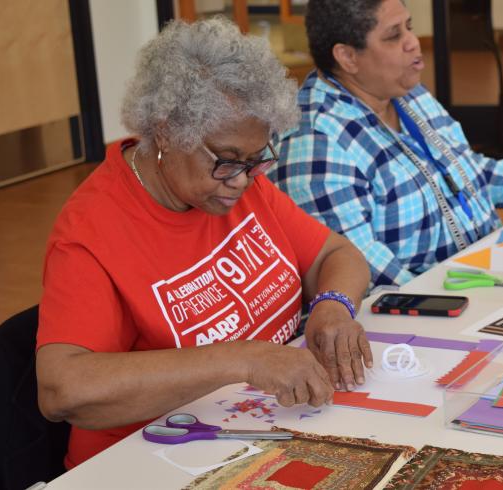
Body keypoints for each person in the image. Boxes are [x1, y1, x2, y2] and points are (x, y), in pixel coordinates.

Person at [36, 17, 373, 469]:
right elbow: (62, 389)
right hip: (151, 459)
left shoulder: (235, 184)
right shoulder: (91, 233)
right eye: (228, 160)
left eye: (256, 160)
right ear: (166, 129)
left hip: (255, 433)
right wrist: (243, 361)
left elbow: (338, 254)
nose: (241, 181)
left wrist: (332, 305)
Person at [271, 0, 503, 287]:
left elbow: (461, 171)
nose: (414, 43)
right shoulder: (317, 142)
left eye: (410, 27)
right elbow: (363, 273)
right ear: (347, 57)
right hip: (429, 311)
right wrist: (470, 294)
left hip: (485, 273)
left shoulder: (405, 92)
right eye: (393, 35)